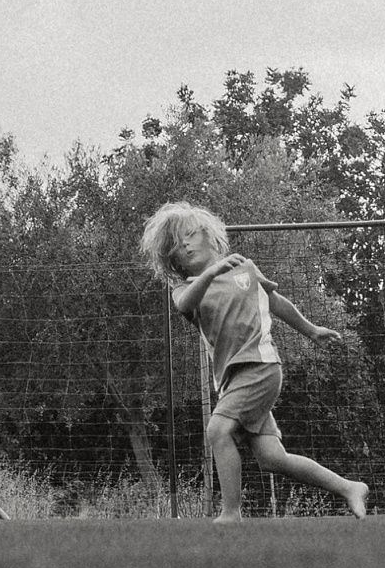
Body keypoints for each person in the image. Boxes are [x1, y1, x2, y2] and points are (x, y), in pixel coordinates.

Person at [139, 201, 370, 521]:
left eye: (190, 235)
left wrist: (311, 329)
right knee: (272, 458)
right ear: (172, 260)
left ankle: (231, 513)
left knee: (217, 431)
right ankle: (349, 487)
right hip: (233, 379)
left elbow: (276, 302)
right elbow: (184, 306)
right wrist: (211, 273)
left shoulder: (245, 269)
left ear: (209, 235)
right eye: (177, 245)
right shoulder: (185, 288)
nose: (186, 244)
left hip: (260, 366)